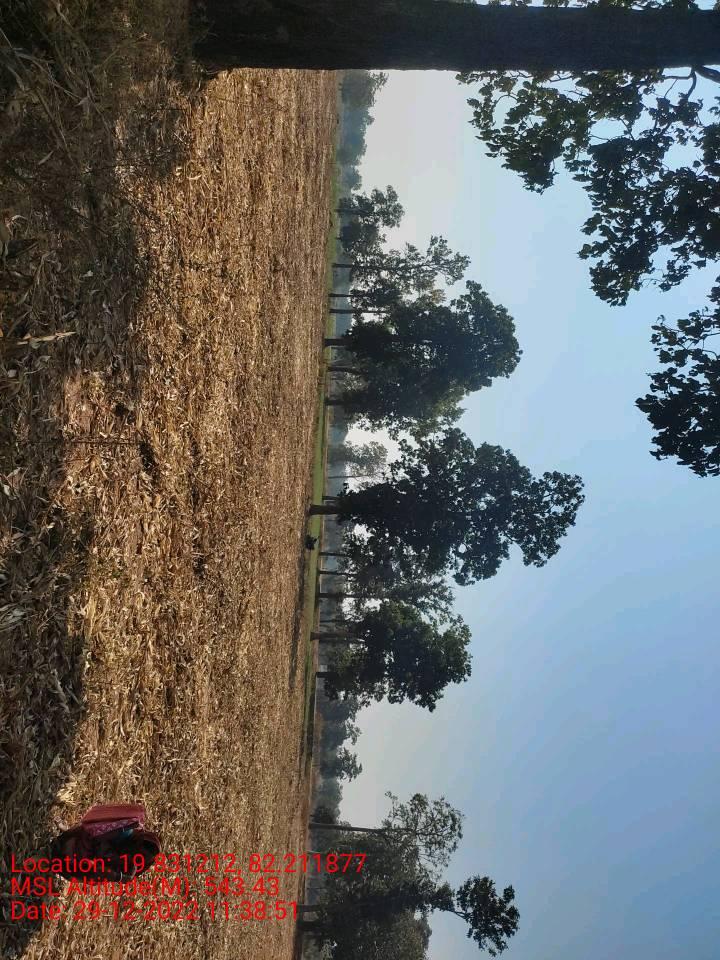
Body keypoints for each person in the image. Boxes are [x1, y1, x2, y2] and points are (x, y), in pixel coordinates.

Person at [50, 803, 161, 882]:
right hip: (82, 846)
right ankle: (58, 852)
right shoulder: (125, 832)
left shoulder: (128, 866)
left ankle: (57, 858)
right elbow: (94, 836)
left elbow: (100, 871)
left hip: (79, 859)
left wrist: (119, 876)